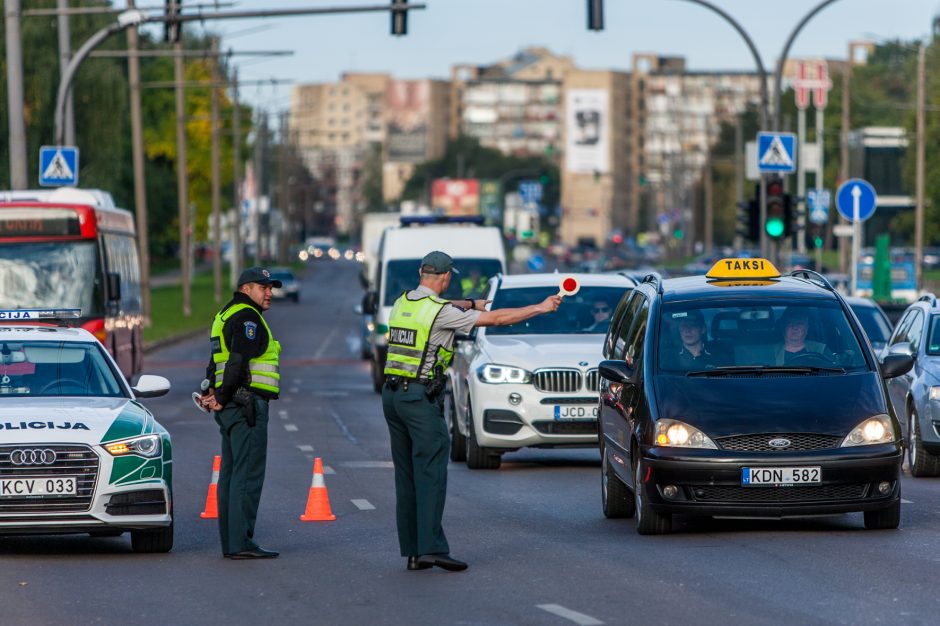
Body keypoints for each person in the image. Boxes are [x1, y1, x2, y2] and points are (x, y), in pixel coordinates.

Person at [382, 251, 561, 573]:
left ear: (423, 273)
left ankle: (413, 551)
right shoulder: (440, 313)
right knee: (431, 474)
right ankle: (431, 549)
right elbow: (497, 319)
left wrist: (469, 302)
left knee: (407, 477)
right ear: (445, 276)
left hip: (393, 397)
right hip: (420, 400)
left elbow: (442, 307)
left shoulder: (404, 302)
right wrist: (540, 307)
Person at [198, 267, 283, 560]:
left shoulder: (224, 314)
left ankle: (232, 541)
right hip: (246, 405)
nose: (270, 292)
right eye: (264, 287)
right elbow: (236, 361)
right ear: (246, 288)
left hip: (231, 405)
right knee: (247, 474)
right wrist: (219, 397)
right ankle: (241, 542)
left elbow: (215, 360)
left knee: (232, 475)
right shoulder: (249, 318)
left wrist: (211, 392)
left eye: (271, 287)